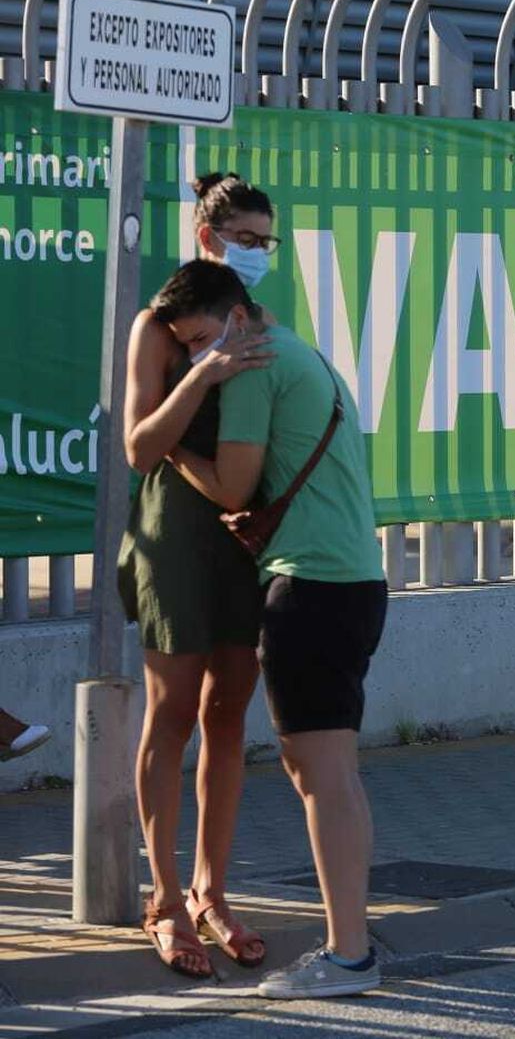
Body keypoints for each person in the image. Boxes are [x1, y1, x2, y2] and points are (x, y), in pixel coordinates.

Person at [157, 260, 388, 1000]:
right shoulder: (300, 352)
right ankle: (352, 944)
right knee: (334, 774)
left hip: (308, 587)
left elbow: (230, 484)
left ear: (236, 318)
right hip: (353, 580)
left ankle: (348, 955)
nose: (200, 356)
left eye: (200, 339)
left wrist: (167, 446)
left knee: (320, 777)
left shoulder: (253, 366)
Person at [118, 174, 277, 979]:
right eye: (246, 239)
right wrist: (201, 373)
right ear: (208, 236)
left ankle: (214, 891)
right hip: (174, 536)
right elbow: (140, 447)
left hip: (240, 536)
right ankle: (165, 897)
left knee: (227, 714)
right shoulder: (160, 323)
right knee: (172, 712)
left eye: (268, 241)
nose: (260, 254)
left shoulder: (258, 319)